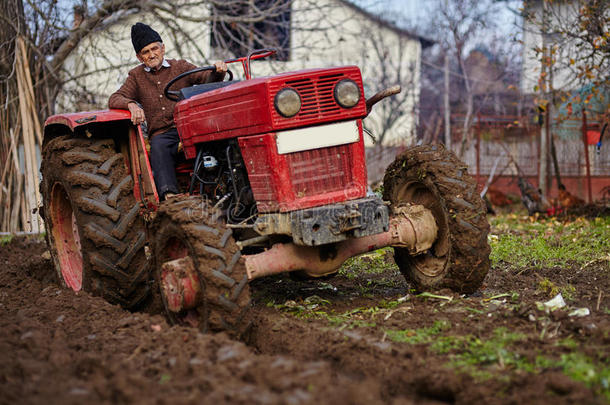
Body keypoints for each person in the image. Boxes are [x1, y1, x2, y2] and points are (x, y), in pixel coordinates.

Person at [109, 22, 227, 200]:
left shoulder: (180, 66)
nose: (151, 54)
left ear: (162, 48)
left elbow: (206, 78)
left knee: (217, 139)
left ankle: (220, 187)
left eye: (154, 48)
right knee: (158, 146)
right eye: (145, 52)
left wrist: (218, 71)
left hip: (188, 127)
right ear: (139, 57)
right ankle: (170, 196)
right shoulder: (136, 76)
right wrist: (131, 105)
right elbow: (115, 98)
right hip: (163, 133)